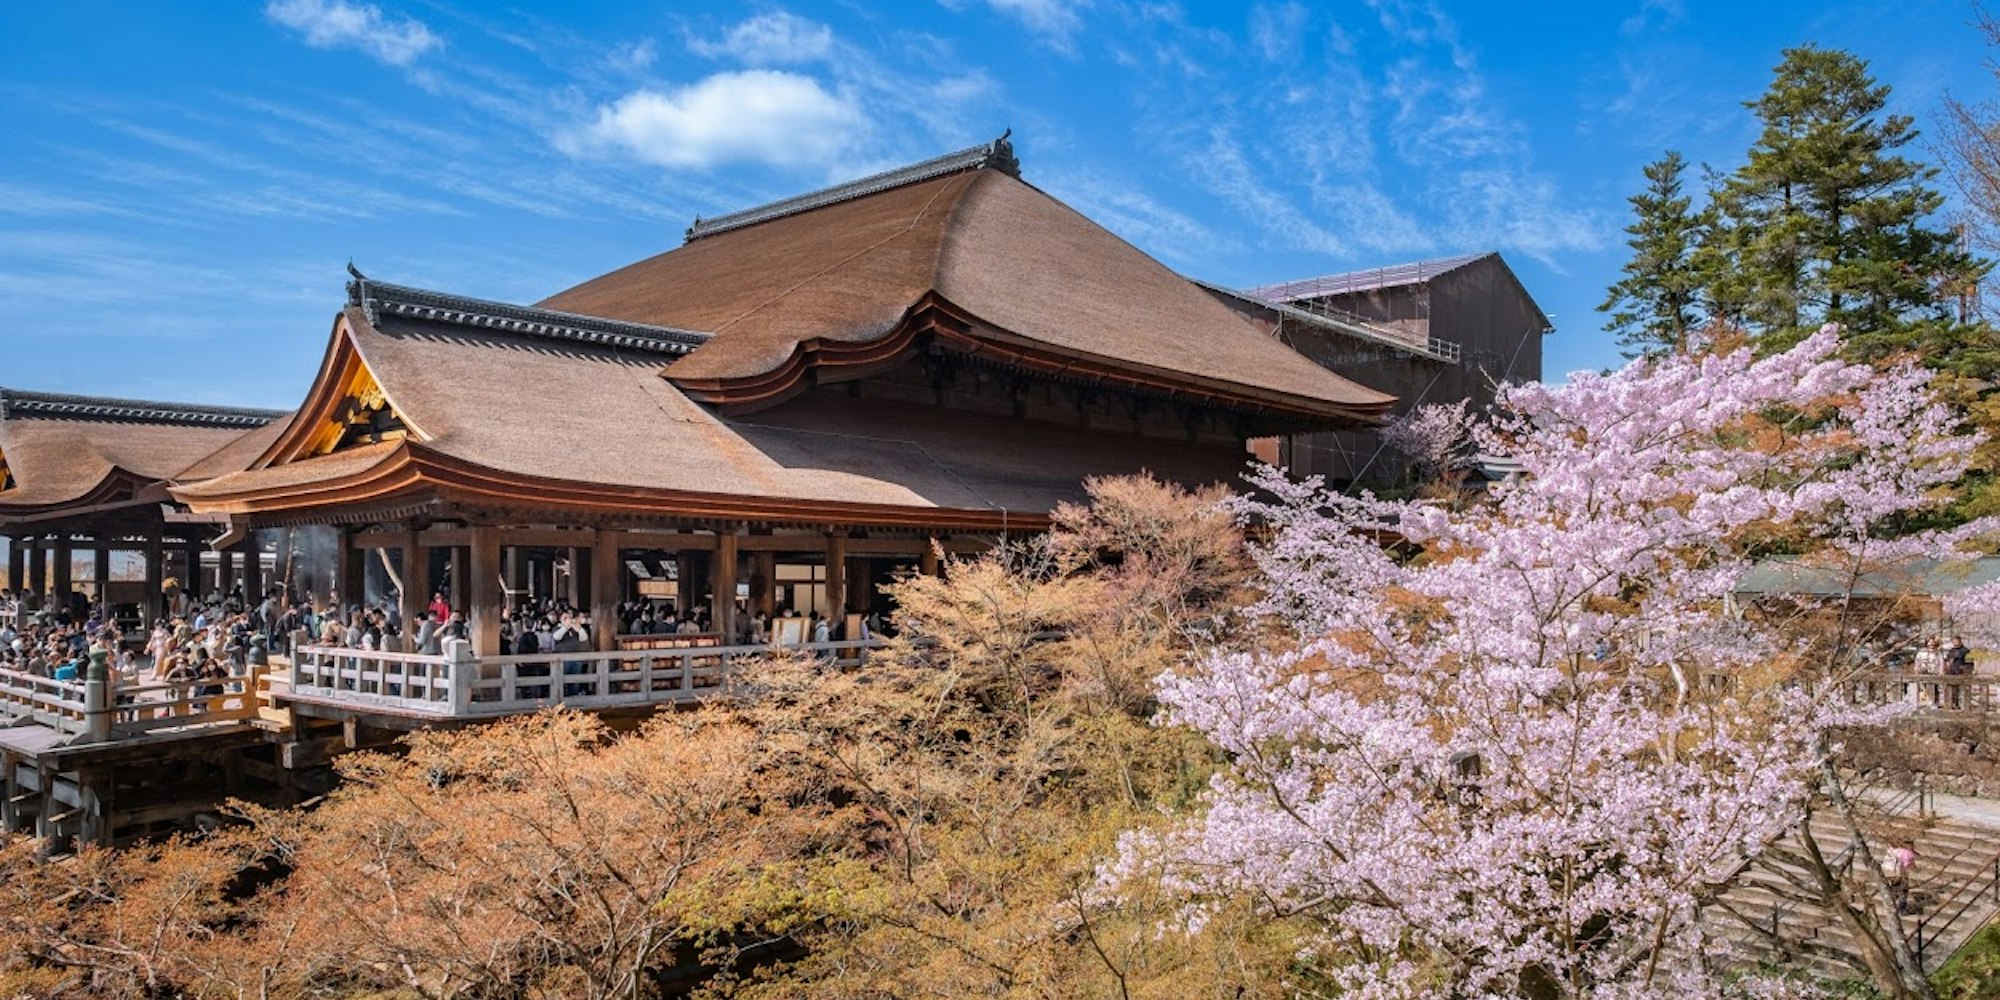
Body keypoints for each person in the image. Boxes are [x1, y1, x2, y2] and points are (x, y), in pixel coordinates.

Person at [1883, 838, 1916, 913]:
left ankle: (1891, 906)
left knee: (1893, 889)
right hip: (1899, 874)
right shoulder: (1907, 852)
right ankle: (1902, 909)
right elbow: (1909, 866)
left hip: (1888, 873)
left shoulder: (1891, 849)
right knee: (1903, 891)